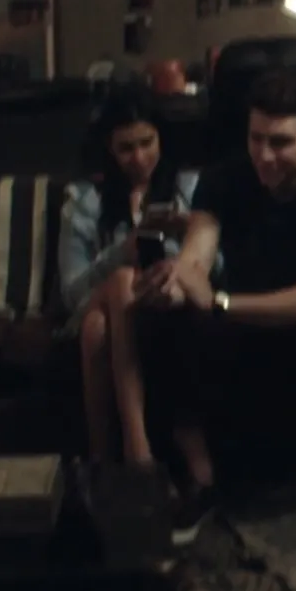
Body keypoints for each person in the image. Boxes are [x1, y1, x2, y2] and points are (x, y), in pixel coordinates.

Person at [135, 67, 296, 544]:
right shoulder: (222, 178)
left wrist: (221, 303)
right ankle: (201, 479)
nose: (265, 155)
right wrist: (173, 287)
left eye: (281, 142)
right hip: (240, 315)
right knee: (162, 321)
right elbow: (196, 258)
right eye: (256, 139)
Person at [57, 94, 200, 467]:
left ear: (161, 138)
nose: (139, 158)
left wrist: (186, 236)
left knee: (97, 330)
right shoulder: (86, 202)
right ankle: (138, 450)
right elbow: (71, 293)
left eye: (146, 143)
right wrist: (121, 252)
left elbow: (218, 265)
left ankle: (104, 464)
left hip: (168, 302)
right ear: (109, 148)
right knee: (121, 281)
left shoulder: (188, 189)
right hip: (99, 299)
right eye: (126, 148)